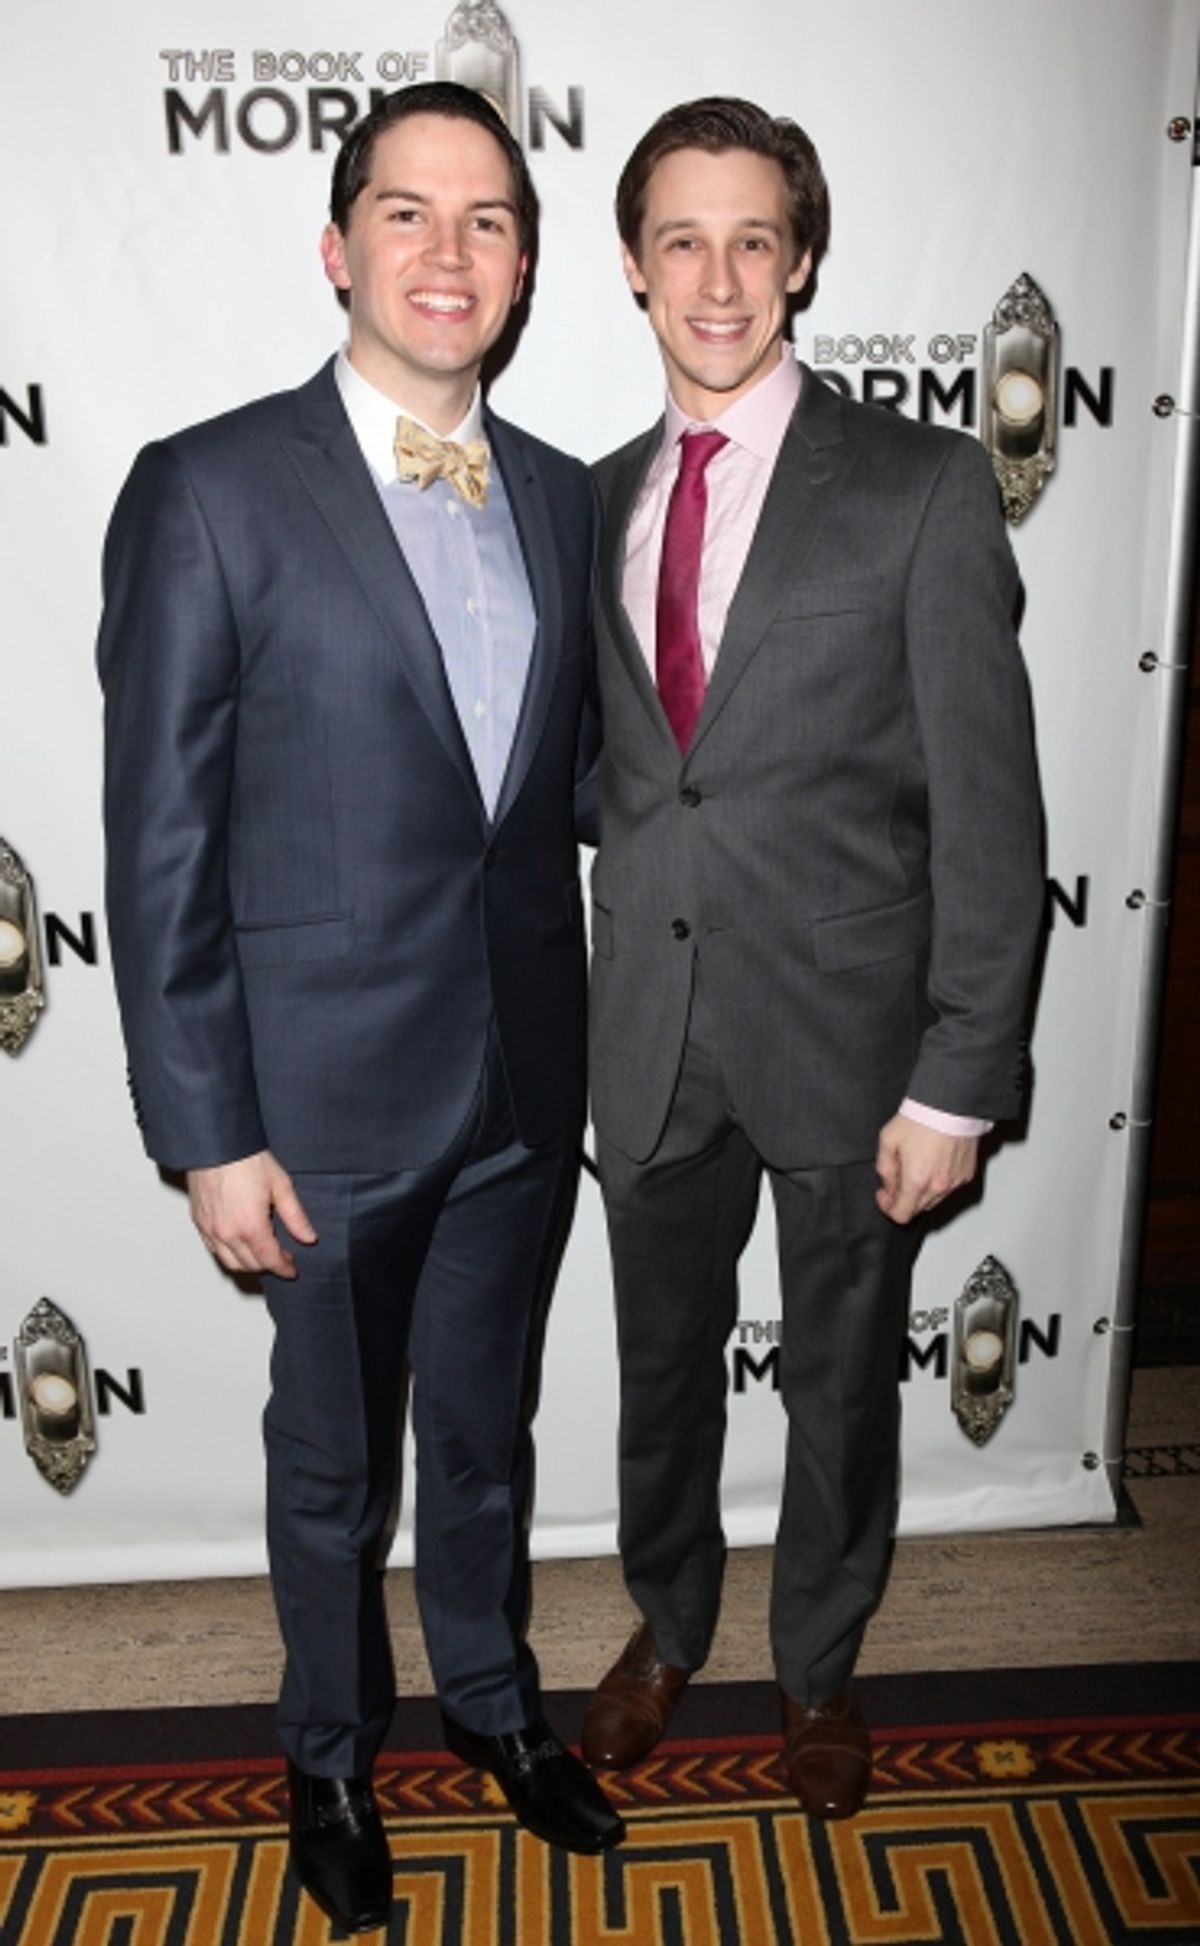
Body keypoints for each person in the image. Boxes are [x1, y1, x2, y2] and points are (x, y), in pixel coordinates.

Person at [98, 80, 621, 1938]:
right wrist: (206, 1125)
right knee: (334, 1468)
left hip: (518, 1083)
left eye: (486, 218)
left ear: (527, 264)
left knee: (485, 1435)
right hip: (310, 1105)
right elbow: (156, 843)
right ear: (338, 247)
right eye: (408, 213)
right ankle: (327, 1749)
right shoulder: (208, 487)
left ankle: (493, 1703)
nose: (448, 250)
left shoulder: (566, 496)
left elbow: (566, 797)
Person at [581, 97, 1043, 1821]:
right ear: (632, 267)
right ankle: (666, 1623)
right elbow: (619, 778)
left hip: (856, 1042)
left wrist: (961, 1071)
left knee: (843, 1378)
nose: (719, 278)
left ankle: (819, 1661)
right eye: (682, 241)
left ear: (801, 259)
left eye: (753, 239)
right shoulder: (599, 500)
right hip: (651, 1027)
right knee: (655, 1374)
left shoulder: (921, 487)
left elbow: (994, 812)